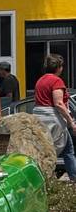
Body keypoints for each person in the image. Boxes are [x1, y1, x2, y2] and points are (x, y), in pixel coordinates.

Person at [33, 53, 76, 183]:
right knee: (68, 151)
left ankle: (43, 179)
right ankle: (74, 179)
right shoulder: (56, 81)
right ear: (58, 67)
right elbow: (58, 103)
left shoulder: (40, 80)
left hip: (39, 118)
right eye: (61, 66)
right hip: (53, 119)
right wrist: (71, 122)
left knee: (45, 150)